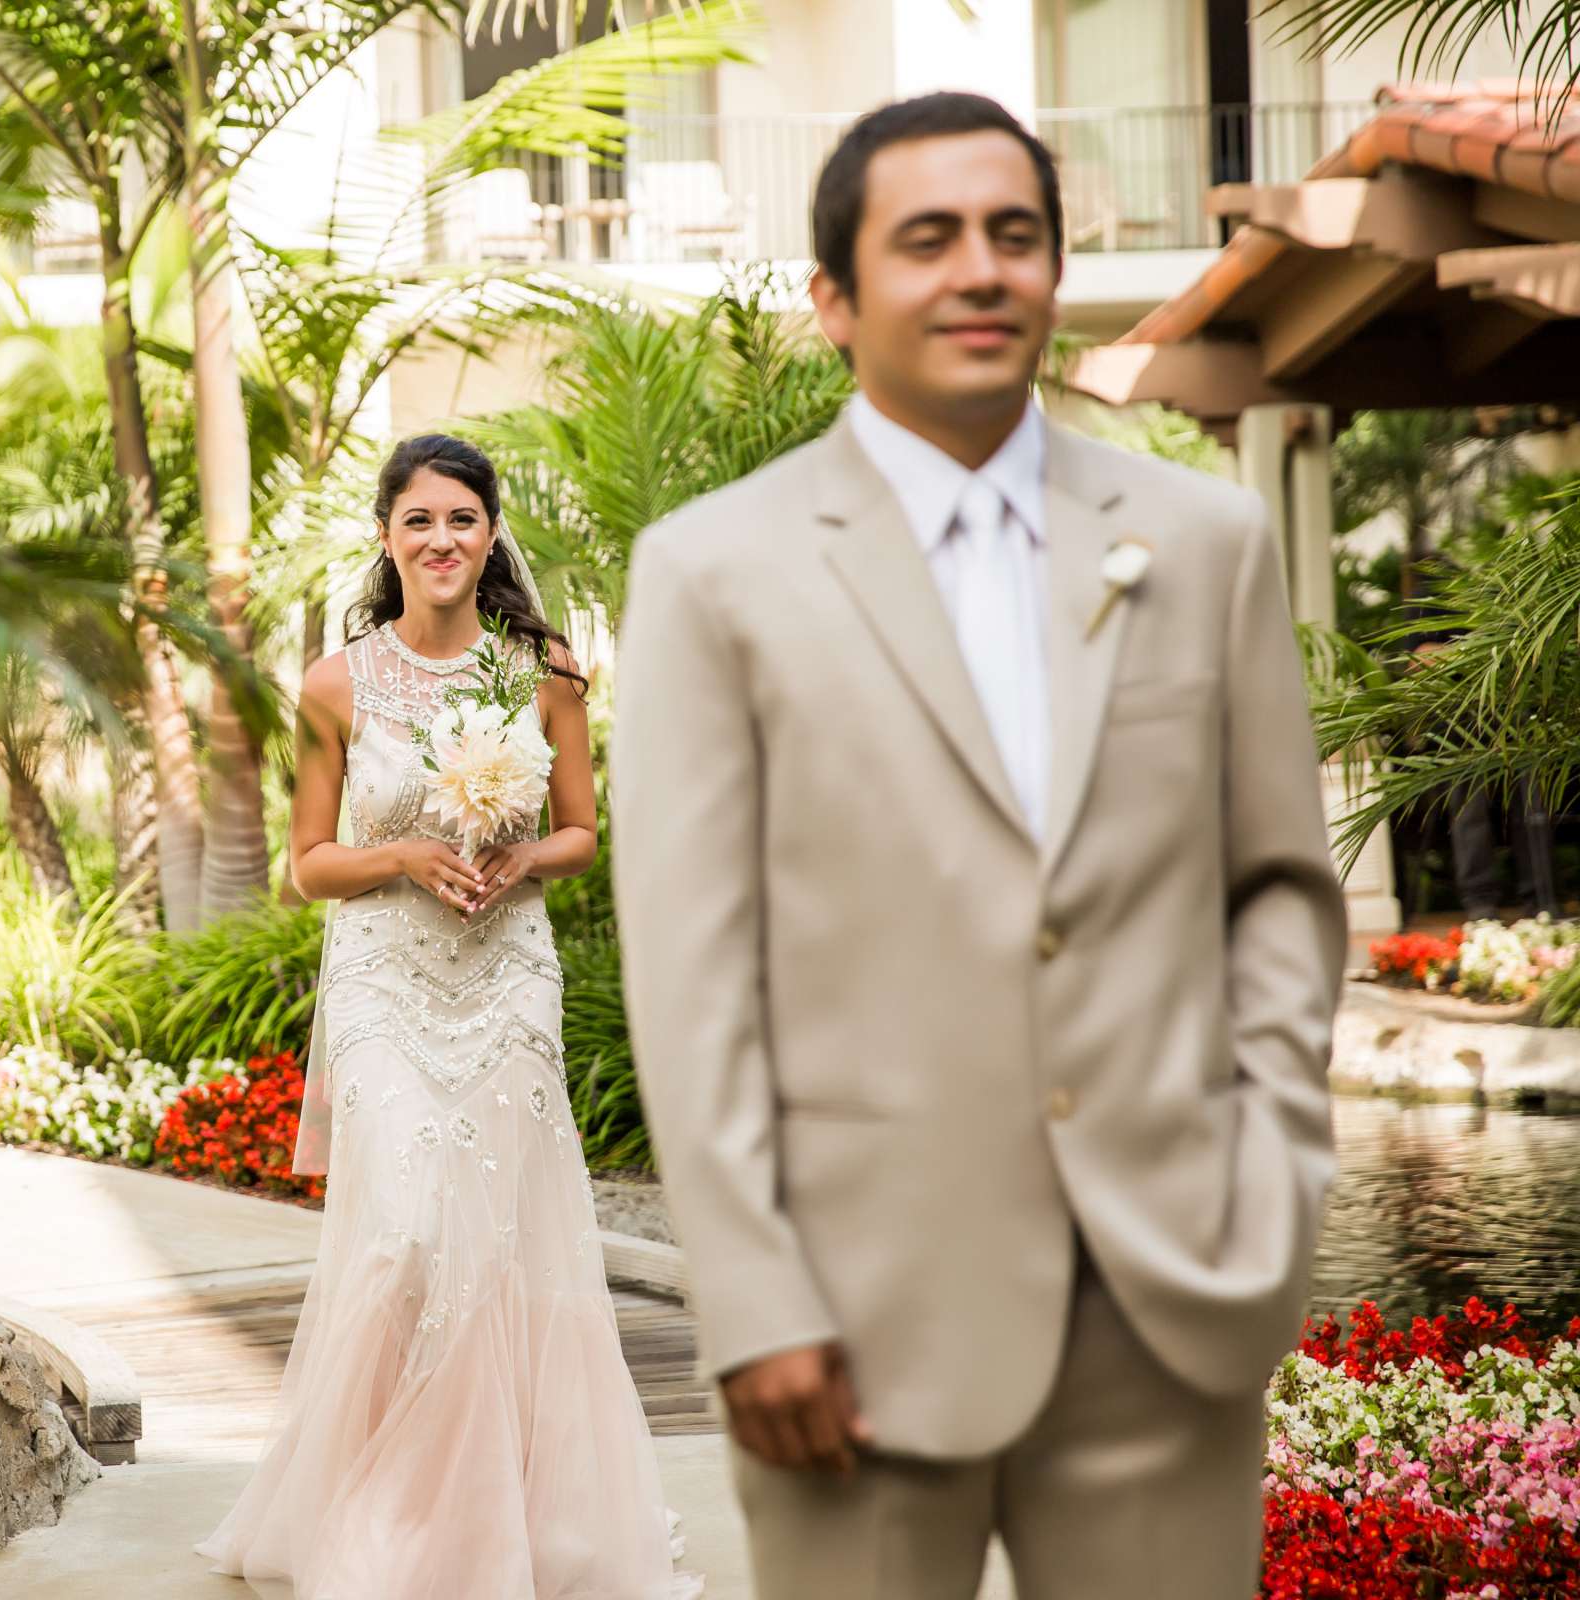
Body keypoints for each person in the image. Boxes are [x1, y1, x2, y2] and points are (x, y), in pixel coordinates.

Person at [610, 92, 1346, 1598]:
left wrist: (1267, 1169)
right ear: (836, 298)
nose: (981, 271)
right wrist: (754, 1301)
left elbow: (1276, 894)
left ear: (1055, 272)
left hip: (1168, 1306)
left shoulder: (1205, 546)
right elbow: (695, 976)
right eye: (928, 239)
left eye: (1015, 235)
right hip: (852, 1335)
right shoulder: (710, 574)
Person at [197, 433, 702, 1599]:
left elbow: (584, 831)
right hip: (383, 979)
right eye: (419, 520)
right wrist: (408, 853)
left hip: (506, 972)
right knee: (404, 1235)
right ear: (388, 534)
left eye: (462, 520)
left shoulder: (544, 672)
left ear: (490, 536)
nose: (441, 540)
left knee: (503, 1244)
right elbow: (310, 865)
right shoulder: (334, 682)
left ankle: (493, 1524)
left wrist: (520, 857)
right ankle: (377, 1507)